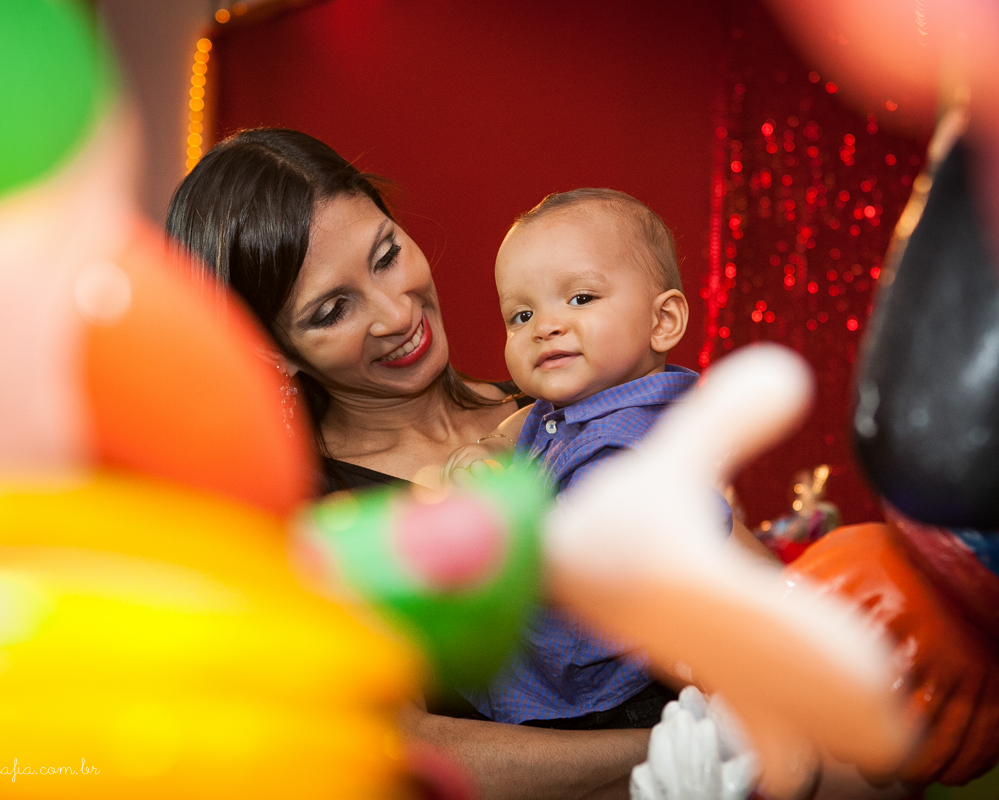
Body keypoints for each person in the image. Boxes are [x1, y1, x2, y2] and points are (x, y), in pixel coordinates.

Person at [165, 129, 653, 799]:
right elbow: (404, 748)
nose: (396, 313)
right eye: (333, 309)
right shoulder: (318, 528)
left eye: (387, 255)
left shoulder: (564, 403)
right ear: (272, 352)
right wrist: (678, 750)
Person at [449, 188, 733, 730]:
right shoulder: (577, 406)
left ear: (663, 321)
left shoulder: (632, 441)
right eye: (521, 314)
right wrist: (492, 446)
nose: (544, 326)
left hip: (605, 697)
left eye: (580, 299)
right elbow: (527, 422)